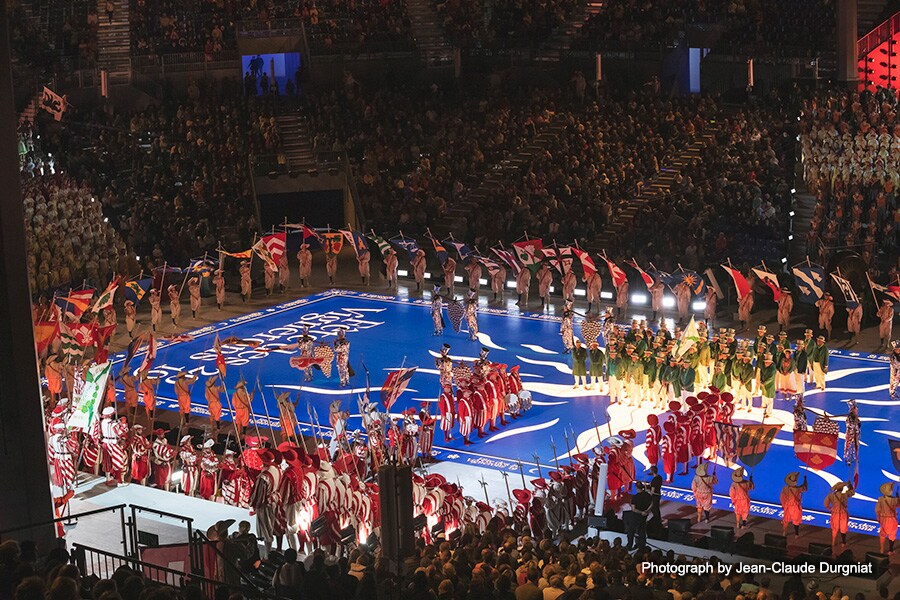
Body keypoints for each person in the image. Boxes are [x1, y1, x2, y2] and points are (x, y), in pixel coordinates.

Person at [824, 481, 854, 550]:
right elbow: (852, 493)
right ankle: (843, 543)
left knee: (835, 528)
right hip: (843, 514)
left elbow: (825, 504)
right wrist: (850, 486)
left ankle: (833, 542)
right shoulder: (845, 495)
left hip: (835, 513)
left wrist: (831, 509)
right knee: (843, 528)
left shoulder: (831, 495)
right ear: (842, 488)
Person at [781, 471, 807, 536]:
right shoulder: (798, 489)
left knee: (786, 519)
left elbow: (782, 497)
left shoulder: (785, 488)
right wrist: (805, 480)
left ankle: (784, 532)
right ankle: (796, 534)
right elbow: (805, 488)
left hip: (787, 506)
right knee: (796, 520)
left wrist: (783, 505)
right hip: (795, 507)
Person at [876, 482, 900, 554]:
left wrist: (879, 519)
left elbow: (877, 510)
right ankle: (890, 551)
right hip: (892, 519)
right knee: (892, 534)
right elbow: (899, 505)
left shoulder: (880, 499)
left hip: (883, 519)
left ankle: (882, 549)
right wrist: (898, 497)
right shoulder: (894, 500)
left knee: (882, 534)